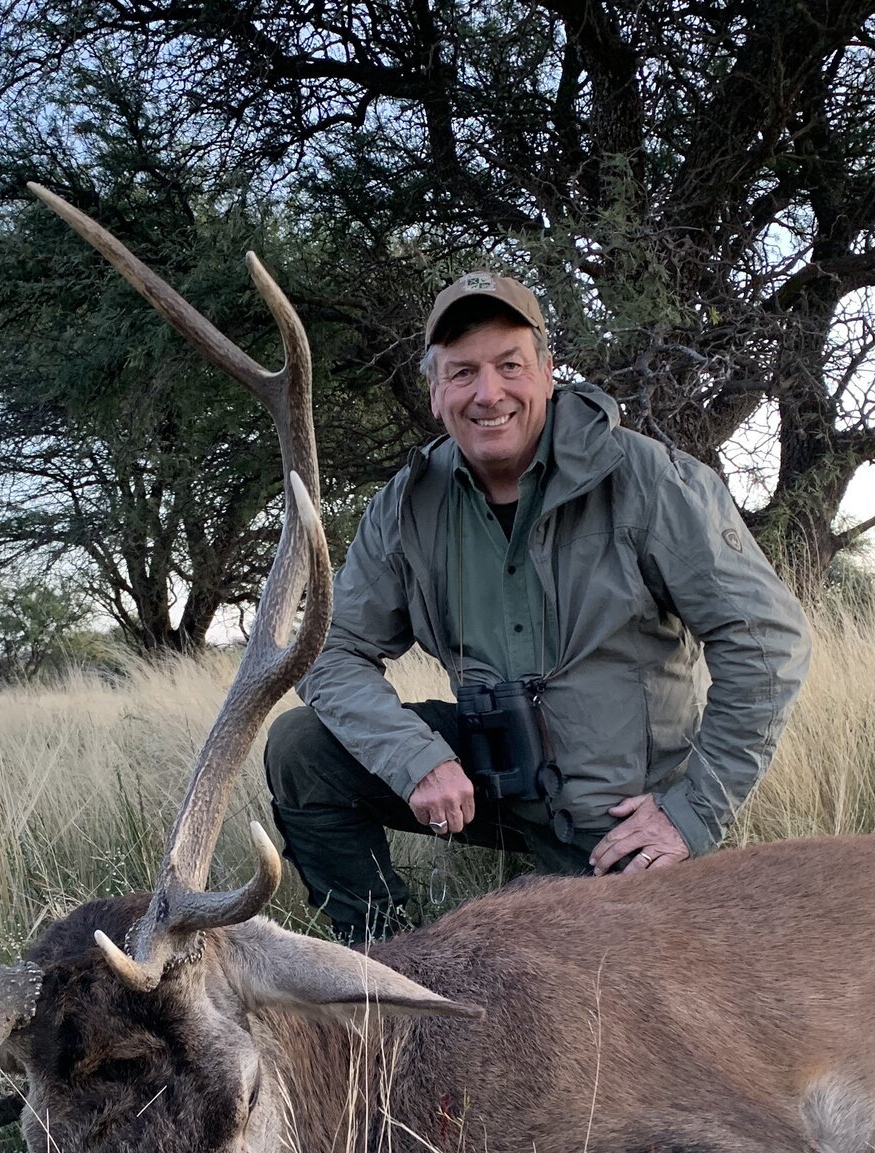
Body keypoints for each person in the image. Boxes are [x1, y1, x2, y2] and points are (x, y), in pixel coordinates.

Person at [264, 270, 811, 941]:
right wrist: (417, 760)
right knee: (301, 749)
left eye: (509, 365)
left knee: (608, 1021)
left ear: (548, 372)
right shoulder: (405, 507)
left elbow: (767, 644)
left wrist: (691, 811)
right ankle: (380, 966)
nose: (488, 393)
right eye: (462, 372)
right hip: (493, 788)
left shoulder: (651, 481)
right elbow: (330, 652)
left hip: (618, 828)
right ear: (436, 393)